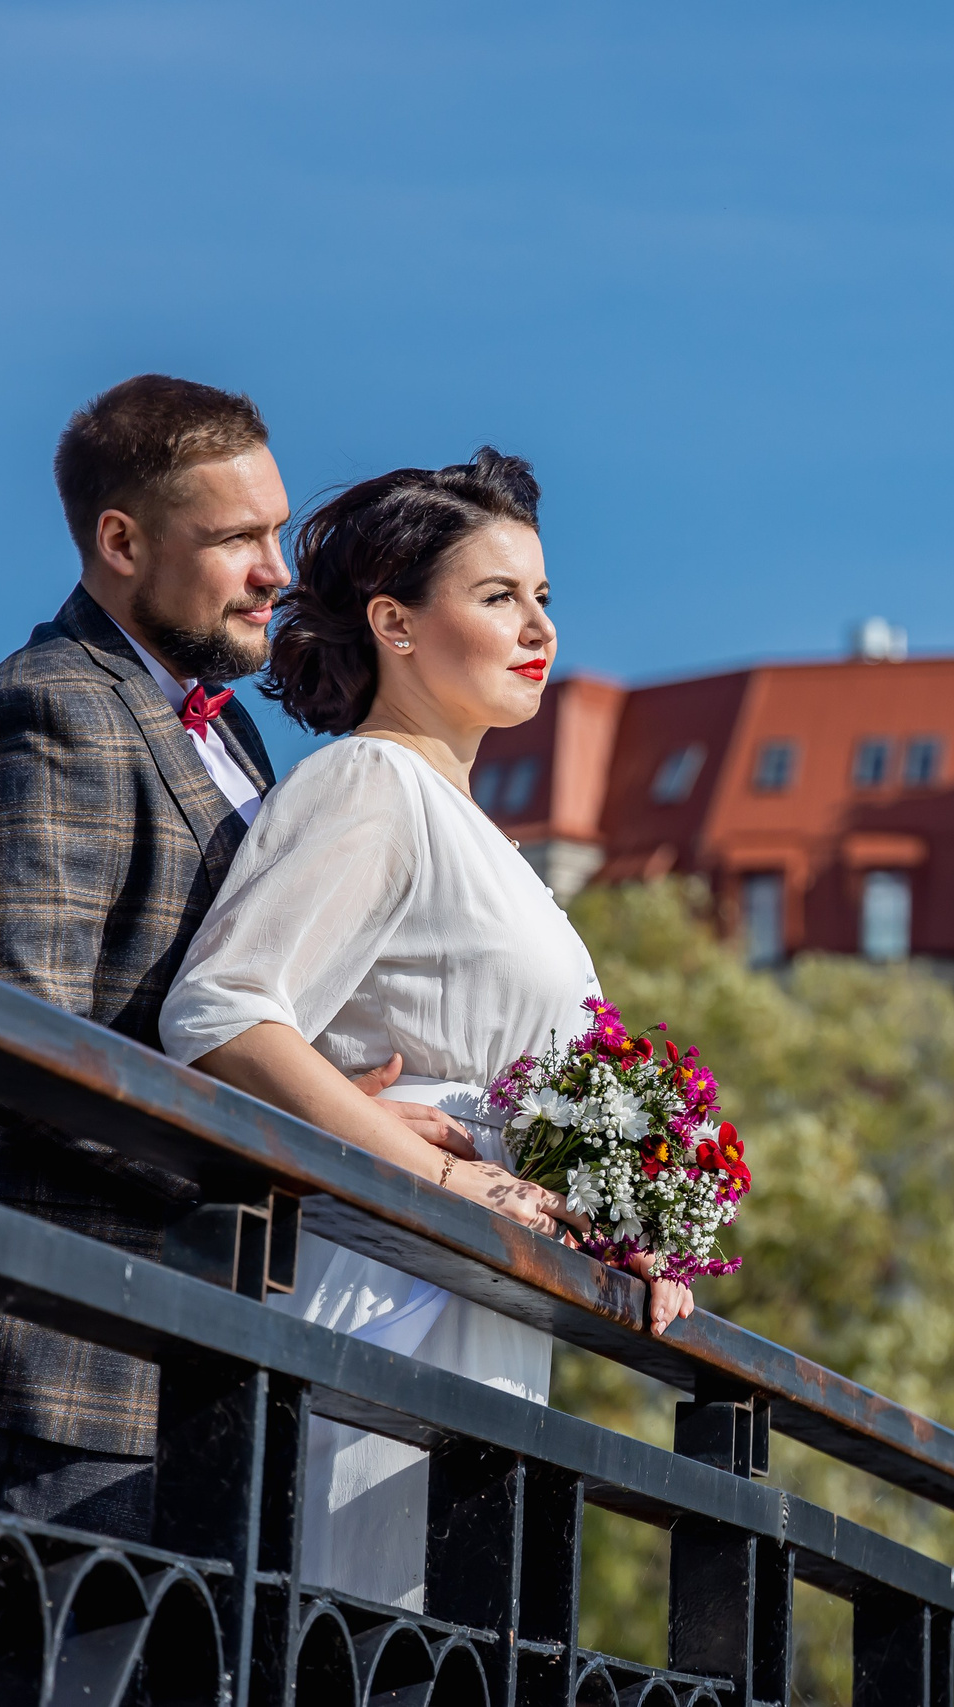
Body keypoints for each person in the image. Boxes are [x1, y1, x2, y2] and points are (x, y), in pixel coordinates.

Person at [0, 375, 471, 1539]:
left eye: (275, 530)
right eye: (236, 539)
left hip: (212, 1361)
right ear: (120, 540)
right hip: (64, 1368)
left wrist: (333, 1103)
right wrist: (301, 1141)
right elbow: (21, 1054)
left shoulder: (236, 733)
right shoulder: (44, 712)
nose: (278, 568)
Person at [158, 450, 694, 1609]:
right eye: (498, 597)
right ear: (395, 624)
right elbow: (219, 1012)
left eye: (544, 597)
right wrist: (428, 1175)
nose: (537, 625)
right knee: (363, 1618)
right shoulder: (369, 786)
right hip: (388, 1286)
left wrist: (627, 1223)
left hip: (477, 1292)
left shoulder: (474, 832)